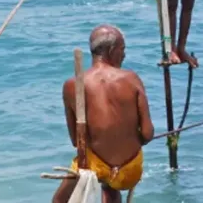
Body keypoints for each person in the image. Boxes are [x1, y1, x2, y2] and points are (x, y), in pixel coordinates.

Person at [52, 25, 154, 203]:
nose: (124, 55)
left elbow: (77, 141)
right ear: (112, 50)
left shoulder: (71, 85)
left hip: (92, 168)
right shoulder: (131, 79)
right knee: (111, 186)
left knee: (59, 200)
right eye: (123, 49)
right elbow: (147, 133)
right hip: (129, 171)